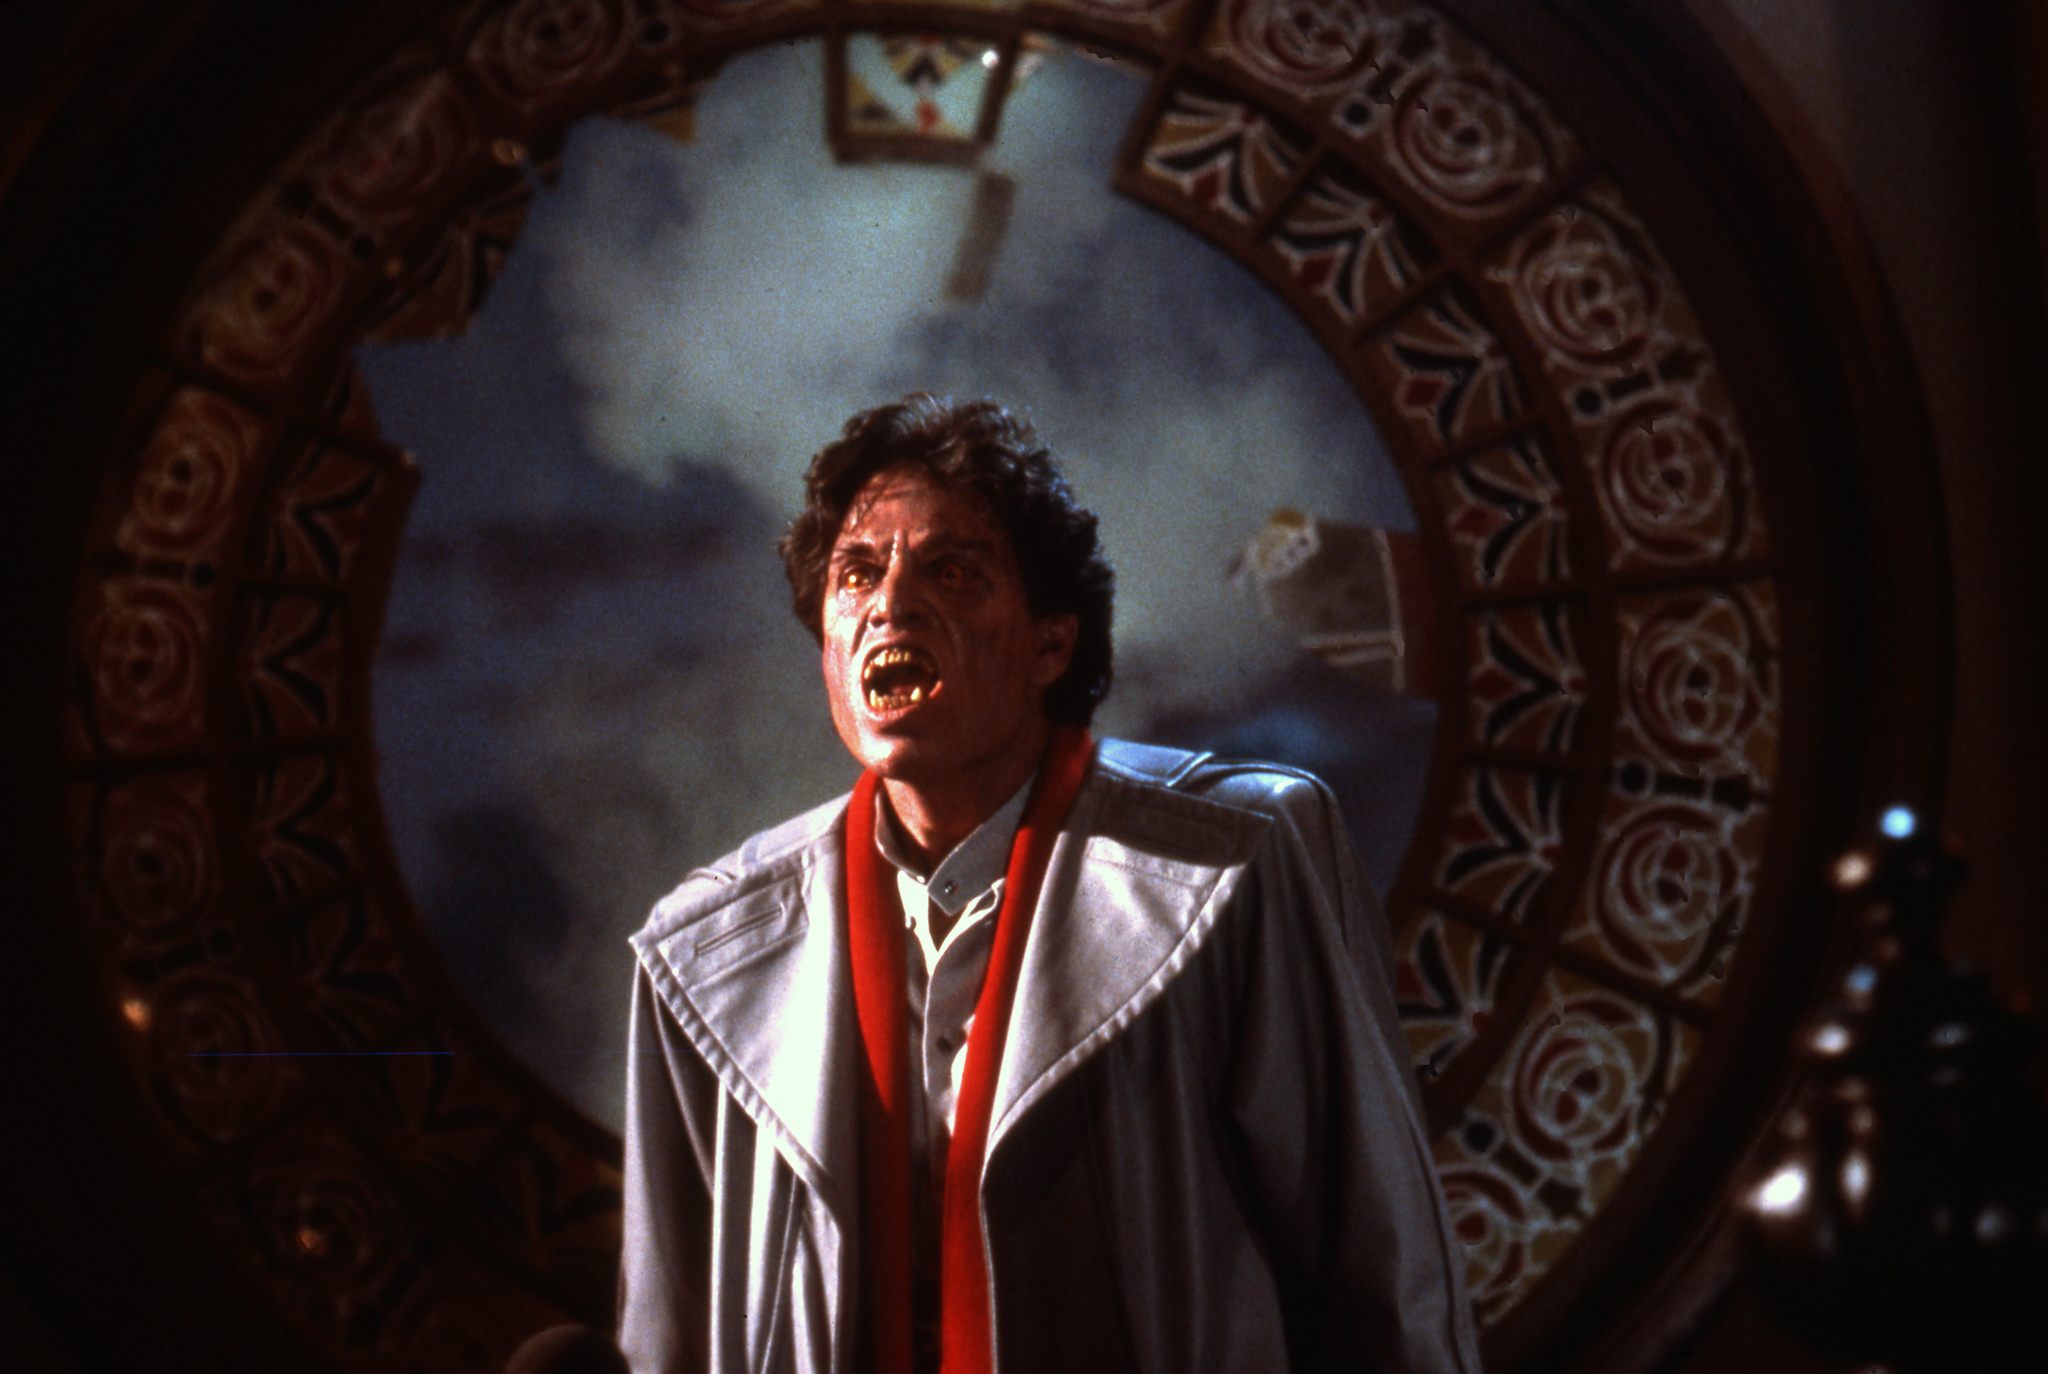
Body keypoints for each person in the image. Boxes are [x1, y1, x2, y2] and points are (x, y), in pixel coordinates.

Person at [618, 395, 1481, 1374]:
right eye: (855, 573)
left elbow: (1382, 1281)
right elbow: (665, 1341)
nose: (889, 604)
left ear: (1050, 644)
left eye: (951, 570)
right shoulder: (704, 949)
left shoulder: (1237, 860)